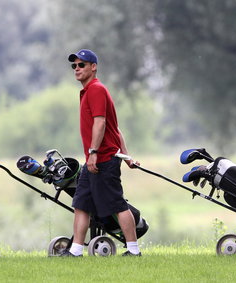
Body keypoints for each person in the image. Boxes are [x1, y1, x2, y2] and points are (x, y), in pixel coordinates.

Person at [61, 49, 141, 257]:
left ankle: (133, 250)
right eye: (74, 66)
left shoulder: (96, 89)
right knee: (81, 204)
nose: (77, 69)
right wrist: (127, 155)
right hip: (93, 159)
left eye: (82, 65)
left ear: (93, 67)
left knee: (117, 204)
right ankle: (76, 251)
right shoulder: (88, 91)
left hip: (103, 159)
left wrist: (94, 152)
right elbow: (116, 129)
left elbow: (102, 123)